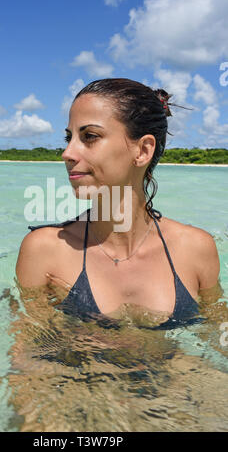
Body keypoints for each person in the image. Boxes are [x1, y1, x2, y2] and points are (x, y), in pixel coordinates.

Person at [16, 78, 221, 329]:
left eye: (89, 136)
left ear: (143, 150)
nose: (67, 153)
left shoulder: (196, 249)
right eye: (69, 137)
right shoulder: (44, 250)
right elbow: (25, 356)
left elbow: (217, 339)